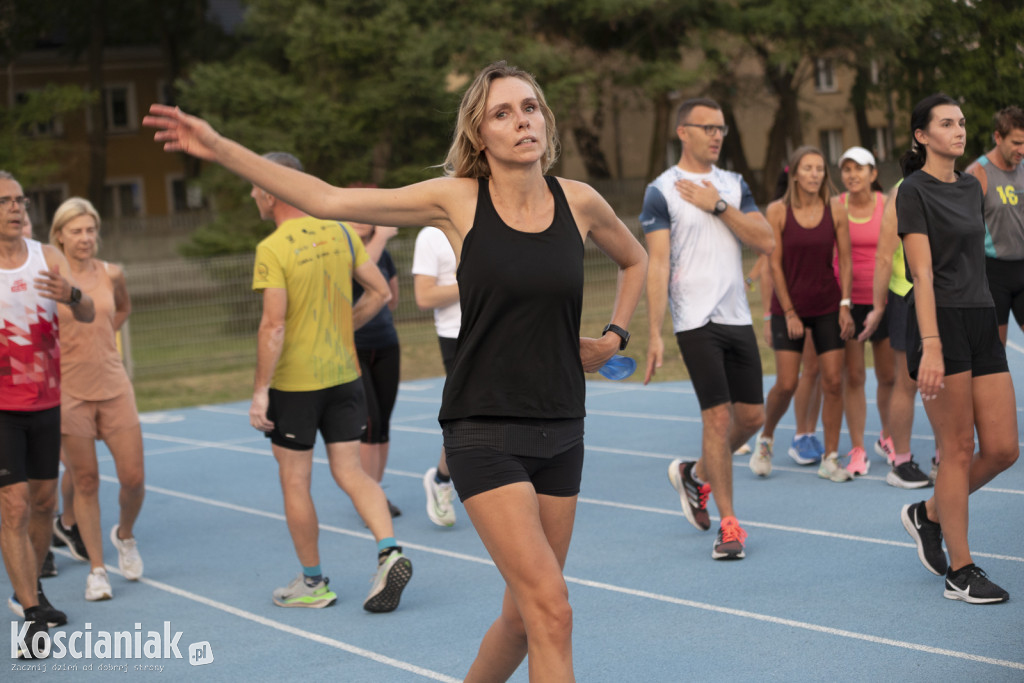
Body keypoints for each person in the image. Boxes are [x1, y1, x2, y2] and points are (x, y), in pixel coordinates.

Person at [145, 59, 647, 680]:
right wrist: (219, 148)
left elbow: (636, 259)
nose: (522, 121)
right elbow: (326, 199)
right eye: (503, 113)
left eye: (530, 107)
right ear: (478, 136)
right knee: (554, 611)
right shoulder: (457, 201)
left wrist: (613, 337)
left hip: (564, 426)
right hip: (484, 431)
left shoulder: (581, 202)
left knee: (524, 618)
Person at [247, 152, 410, 612]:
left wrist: (261, 390)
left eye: (256, 185)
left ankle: (314, 583)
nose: (252, 194)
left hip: (296, 386)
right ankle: (389, 551)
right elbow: (380, 291)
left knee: (295, 481)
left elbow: (272, 327)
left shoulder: (274, 248)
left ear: (272, 188)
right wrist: (345, 330)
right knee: (351, 472)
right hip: (345, 376)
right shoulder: (340, 231)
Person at [896, 94, 1018, 603]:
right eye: (947, 123)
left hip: (981, 317)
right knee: (957, 450)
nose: (959, 130)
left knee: (1003, 449)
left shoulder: (971, 186)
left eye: (962, 123)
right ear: (922, 136)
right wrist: (930, 346)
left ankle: (927, 513)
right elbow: (921, 273)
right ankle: (960, 571)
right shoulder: (913, 191)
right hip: (937, 323)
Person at [642, 97, 774, 560]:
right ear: (684, 132)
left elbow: (767, 241)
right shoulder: (661, 190)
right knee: (717, 420)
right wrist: (655, 333)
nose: (717, 135)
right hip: (694, 320)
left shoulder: (733, 185)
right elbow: (656, 265)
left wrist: (718, 205)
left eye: (721, 128)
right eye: (708, 127)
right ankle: (730, 525)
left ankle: (695, 473)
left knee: (752, 419)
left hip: (737, 315)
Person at [0, 170, 95, 657]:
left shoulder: (47, 257)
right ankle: (32, 613)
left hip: (46, 401)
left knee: (41, 505)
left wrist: (72, 296)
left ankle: (31, 591)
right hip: (1, 409)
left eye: (21, 200)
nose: (17, 208)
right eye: (6, 201)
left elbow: (90, 311)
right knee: (12, 505)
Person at [48, 197, 146, 601]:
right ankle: (98, 570)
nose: (85, 238)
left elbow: (121, 308)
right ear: (59, 236)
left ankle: (124, 535)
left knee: (134, 479)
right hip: (69, 390)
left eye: (90, 230)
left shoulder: (112, 272)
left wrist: (104, 335)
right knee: (85, 480)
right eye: (76, 231)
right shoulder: (48, 278)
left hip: (114, 386)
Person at [754, 146, 855, 482]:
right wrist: (789, 312)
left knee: (834, 382)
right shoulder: (777, 211)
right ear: (794, 173)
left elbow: (846, 260)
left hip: (827, 306)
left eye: (820, 169)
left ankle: (830, 458)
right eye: (808, 168)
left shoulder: (836, 209)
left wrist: (845, 305)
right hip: (788, 308)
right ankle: (766, 438)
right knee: (786, 383)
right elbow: (775, 265)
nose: (815, 174)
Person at [858, 184, 934, 488]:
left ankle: (944, 457)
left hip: (947, 295)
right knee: (908, 380)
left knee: (947, 380)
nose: (957, 133)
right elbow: (885, 255)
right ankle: (900, 462)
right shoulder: (904, 190)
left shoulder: (959, 182)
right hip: (908, 295)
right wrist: (878, 307)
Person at [834, 147, 895, 476]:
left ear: (873, 173)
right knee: (854, 376)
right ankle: (858, 448)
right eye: (846, 169)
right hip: (848, 303)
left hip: (883, 301)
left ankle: (888, 437)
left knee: (888, 375)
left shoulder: (887, 204)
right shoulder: (836, 206)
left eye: (859, 168)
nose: (852, 174)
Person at [349, 221, 403, 518]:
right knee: (368, 425)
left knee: (382, 425)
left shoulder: (384, 255)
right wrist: (382, 234)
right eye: (353, 215)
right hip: (355, 346)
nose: (360, 220)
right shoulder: (345, 250)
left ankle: (376, 492)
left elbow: (391, 298)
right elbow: (363, 265)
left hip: (386, 344)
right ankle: (369, 502)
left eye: (365, 215)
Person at [412, 225, 460, 527]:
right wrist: (473, 282)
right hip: (457, 336)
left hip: (504, 330)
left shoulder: (500, 218)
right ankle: (442, 481)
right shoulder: (432, 234)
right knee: (468, 418)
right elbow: (425, 296)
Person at [965, 106, 1024, 345]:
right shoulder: (977, 173)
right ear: (998, 137)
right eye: (1017, 143)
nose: (1022, 150)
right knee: (993, 356)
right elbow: (964, 233)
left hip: (1022, 268)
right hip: (992, 274)